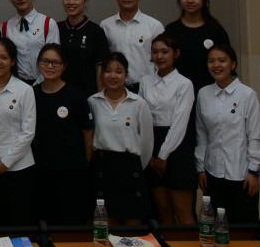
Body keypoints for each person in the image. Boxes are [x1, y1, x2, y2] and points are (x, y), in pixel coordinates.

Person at [195, 44, 260, 224]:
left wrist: (254, 171)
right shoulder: (203, 94)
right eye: (211, 61)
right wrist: (200, 168)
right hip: (213, 172)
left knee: (244, 226)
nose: (216, 65)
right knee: (216, 225)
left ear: (233, 64)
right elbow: (201, 133)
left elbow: (255, 135)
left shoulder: (247, 95)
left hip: (241, 173)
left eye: (222, 60)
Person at [30, 44, 92, 225]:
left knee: (71, 222)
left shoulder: (76, 95)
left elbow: (87, 133)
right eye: (45, 61)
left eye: (55, 62)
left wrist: (85, 163)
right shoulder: (31, 94)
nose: (50, 66)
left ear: (64, 66)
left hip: (72, 172)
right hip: (41, 171)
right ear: (39, 64)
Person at [88, 52, 153, 224]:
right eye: (108, 71)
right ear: (102, 74)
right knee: (105, 225)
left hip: (130, 169)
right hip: (102, 168)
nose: (113, 76)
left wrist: (134, 165)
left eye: (118, 71)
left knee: (133, 226)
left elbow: (147, 144)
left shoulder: (139, 103)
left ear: (126, 74)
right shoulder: (92, 102)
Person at [0, 37, 37, 226]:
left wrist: (6, 163)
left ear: (12, 61)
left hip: (19, 168)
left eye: (3, 57)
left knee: (19, 224)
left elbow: (28, 132)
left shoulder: (25, 90)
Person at [141, 34, 196, 224]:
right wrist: (149, 153)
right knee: (163, 210)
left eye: (165, 51)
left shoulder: (184, 84)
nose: (159, 56)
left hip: (177, 146)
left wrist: (163, 155)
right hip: (152, 143)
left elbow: (180, 123)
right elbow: (142, 117)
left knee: (183, 212)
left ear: (176, 54)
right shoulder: (145, 81)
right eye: (155, 52)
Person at [164, 0, 232, 93]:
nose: (190, 0)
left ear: (204, 0)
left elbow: (226, 61)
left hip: (211, 91)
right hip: (178, 92)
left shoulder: (215, 30)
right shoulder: (171, 30)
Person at [99, 0, 164, 91]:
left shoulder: (154, 26)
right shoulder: (105, 26)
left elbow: (162, 60)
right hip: (115, 88)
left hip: (147, 88)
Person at [1, 0, 59, 84]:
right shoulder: (5, 27)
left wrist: (37, 85)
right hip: (15, 85)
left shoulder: (48, 23)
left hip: (44, 84)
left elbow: (54, 59)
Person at [57, 0, 108, 95]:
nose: (71, 2)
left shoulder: (96, 31)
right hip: (59, 95)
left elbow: (100, 68)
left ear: (85, 1)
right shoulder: (56, 28)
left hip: (87, 95)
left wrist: (100, 98)